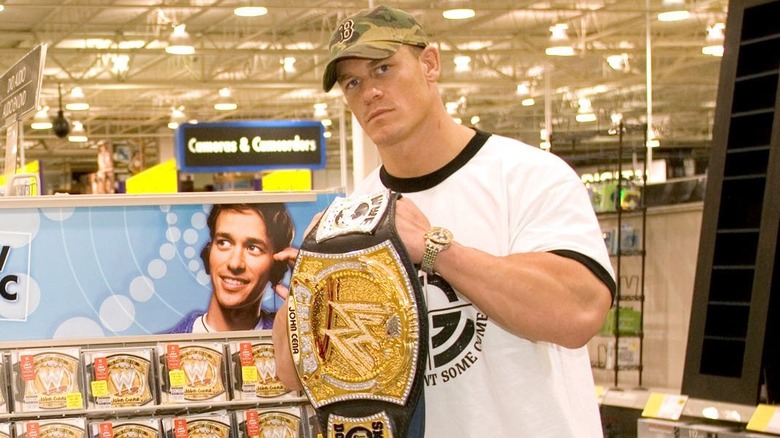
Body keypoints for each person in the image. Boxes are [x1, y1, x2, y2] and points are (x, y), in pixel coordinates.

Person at [272, 5, 616, 437]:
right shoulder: (353, 212)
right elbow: (292, 372)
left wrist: (436, 248)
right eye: (353, 82)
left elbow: (578, 312)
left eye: (383, 69)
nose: (369, 92)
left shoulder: (528, 176)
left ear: (430, 63)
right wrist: (306, 289)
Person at [164, 203, 295, 333]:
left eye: (253, 248)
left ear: (277, 267)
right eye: (224, 242)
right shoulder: (160, 349)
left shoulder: (293, 342)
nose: (235, 263)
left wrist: (309, 320)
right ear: (208, 253)